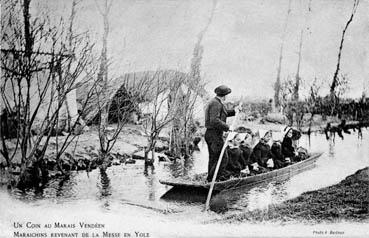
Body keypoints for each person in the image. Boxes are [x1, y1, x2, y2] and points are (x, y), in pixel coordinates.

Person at [204, 85, 241, 181]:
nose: (227, 97)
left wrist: (234, 111)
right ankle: (214, 180)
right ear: (224, 95)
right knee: (223, 158)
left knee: (214, 158)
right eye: (227, 95)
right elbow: (214, 120)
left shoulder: (217, 102)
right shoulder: (216, 103)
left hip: (213, 134)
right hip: (214, 135)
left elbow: (223, 113)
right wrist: (228, 127)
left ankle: (211, 179)